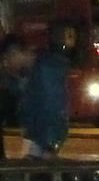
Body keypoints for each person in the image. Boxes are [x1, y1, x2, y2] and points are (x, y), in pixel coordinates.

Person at [17, 26, 73, 158]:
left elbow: (52, 107)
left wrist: (50, 143)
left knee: (35, 172)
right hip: (39, 137)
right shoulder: (39, 70)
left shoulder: (44, 70)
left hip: (41, 139)